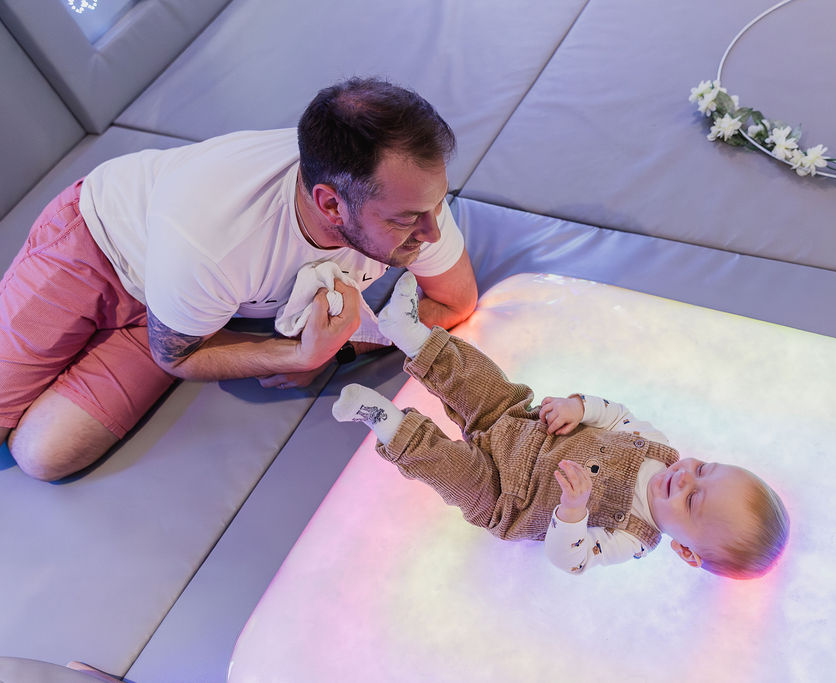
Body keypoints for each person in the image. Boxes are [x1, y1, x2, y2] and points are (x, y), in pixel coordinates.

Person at [0, 77, 478, 481]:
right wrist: (299, 353)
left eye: (437, 203)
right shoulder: (216, 235)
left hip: (190, 308)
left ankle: (176, 312)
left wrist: (345, 350)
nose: (432, 231)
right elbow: (175, 355)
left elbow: (455, 301)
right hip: (98, 247)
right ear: (331, 204)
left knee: (44, 455)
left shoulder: (408, 196)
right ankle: (176, 311)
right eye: (408, 218)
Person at [333, 273, 789, 579]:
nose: (685, 477)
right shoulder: (658, 448)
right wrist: (579, 407)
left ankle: (384, 421)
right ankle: (411, 333)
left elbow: (567, 559)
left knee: (453, 472)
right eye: (705, 468)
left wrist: (572, 510)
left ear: (686, 551)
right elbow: (618, 415)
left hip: (506, 498)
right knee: (486, 385)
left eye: (691, 500)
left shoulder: (632, 538)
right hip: (523, 428)